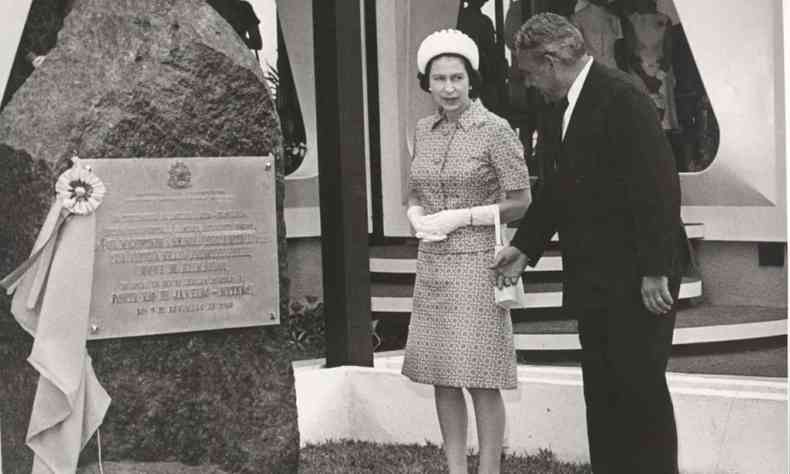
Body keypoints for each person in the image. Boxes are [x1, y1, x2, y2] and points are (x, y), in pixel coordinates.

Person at [491, 13, 688, 474]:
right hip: (599, 280)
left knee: (640, 396)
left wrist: (655, 268)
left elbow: (660, 186)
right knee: (603, 395)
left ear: (552, 60)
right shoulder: (571, 105)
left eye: (529, 73)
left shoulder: (622, 96)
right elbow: (562, 186)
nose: (530, 84)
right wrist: (525, 247)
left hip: (639, 280)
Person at [401, 29, 531, 474]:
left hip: (479, 263)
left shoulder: (495, 130)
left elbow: (521, 200)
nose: (449, 88)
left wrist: (463, 217)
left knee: (480, 375)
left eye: (457, 77)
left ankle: (489, 468)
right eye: (439, 79)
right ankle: (456, 468)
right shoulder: (423, 130)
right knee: (442, 374)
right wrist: (416, 214)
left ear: (471, 80)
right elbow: (415, 192)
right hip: (433, 264)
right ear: (427, 82)